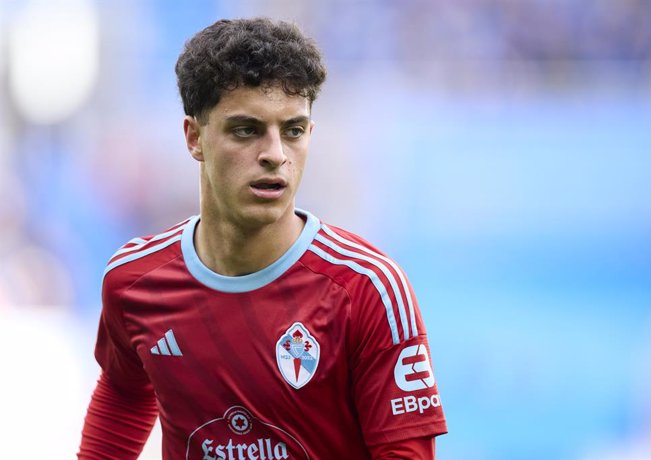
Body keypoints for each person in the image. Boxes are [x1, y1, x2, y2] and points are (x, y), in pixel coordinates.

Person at [78, 18, 447, 460]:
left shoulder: (368, 288)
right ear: (195, 137)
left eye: (292, 130)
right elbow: (123, 396)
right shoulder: (134, 280)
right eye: (246, 130)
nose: (275, 154)